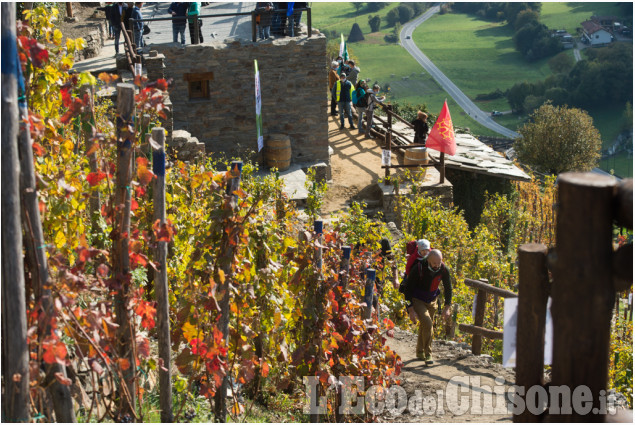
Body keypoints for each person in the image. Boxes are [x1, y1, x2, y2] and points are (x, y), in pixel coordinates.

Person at [402, 249, 452, 366]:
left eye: (439, 262)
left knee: (425, 325)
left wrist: (447, 307)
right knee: (428, 323)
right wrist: (410, 309)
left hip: (432, 299)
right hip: (418, 299)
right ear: (428, 260)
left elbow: (448, 288)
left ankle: (419, 352)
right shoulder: (418, 268)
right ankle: (428, 353)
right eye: (434, 263)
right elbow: (408, 289)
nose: (437, 265)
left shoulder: (443, 269)